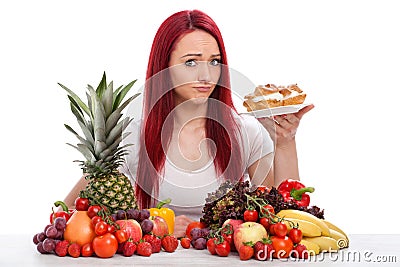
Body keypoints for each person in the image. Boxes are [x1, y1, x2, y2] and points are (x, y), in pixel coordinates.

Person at [64, 9, 314, 238]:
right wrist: (153, 224)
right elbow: (69, 213)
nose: (206, 75)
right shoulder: (131, 134)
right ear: (165, 66)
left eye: (214, 61)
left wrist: (284, 142)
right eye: (191, 62)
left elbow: (282, 218)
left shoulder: (244, 131)